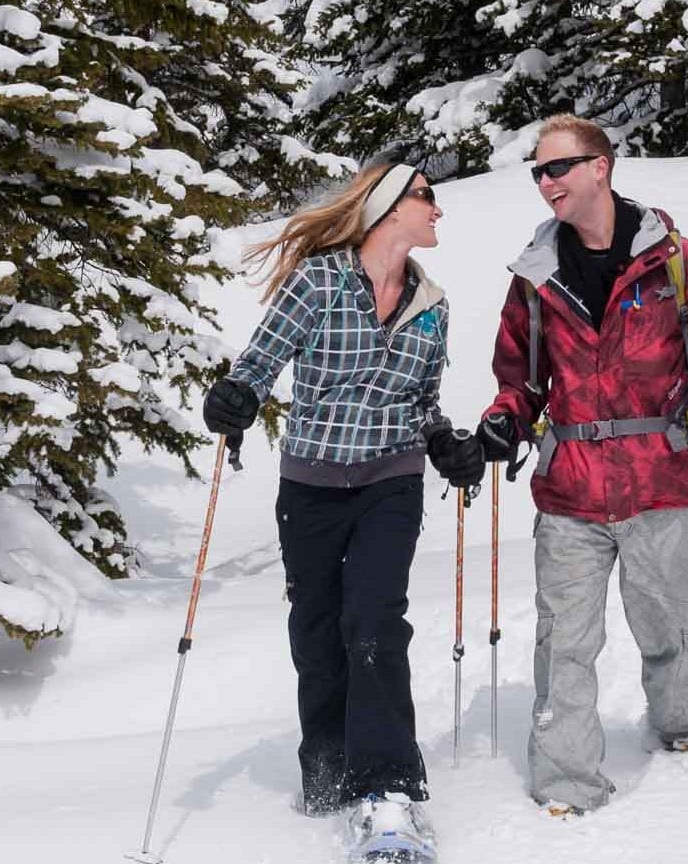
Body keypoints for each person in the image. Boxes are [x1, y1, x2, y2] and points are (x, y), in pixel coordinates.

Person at [475, 114, 688, 817]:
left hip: (663, 481)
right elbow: (519, 380)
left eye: (557, 168)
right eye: (538, 173)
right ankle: (566, 782)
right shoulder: (535, 279)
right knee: (564, 644)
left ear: (600, 166)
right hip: (570, 491)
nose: (546, 184)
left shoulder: (679, 263)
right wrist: (507, 416)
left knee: (677, 626)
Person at [202, 163, 484, 850]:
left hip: (391, 479)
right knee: (319, 633)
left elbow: (418, 402)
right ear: (389, 211)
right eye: (427, 199)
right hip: (312, 485)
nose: (438, 211)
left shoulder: (432, 303)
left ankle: (387, 787)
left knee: (375, 619)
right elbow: (259, 365)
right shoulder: (319, 281)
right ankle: (328, 772)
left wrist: (445, 442)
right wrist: (235, 400)